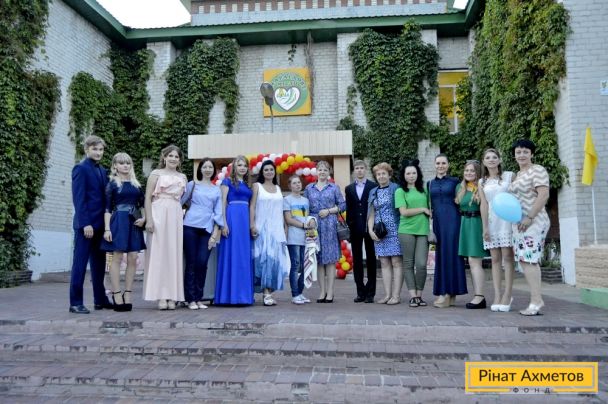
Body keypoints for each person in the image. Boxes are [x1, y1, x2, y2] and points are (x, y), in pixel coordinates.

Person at [69, 135, 112, 314]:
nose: (98, 152)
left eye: (101, 150)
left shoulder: (102, 170)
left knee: (99, 265)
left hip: (100, 225)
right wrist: (85, 223)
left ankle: (100, 299)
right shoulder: (80, 168)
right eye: (95, 149)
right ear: (87, 149)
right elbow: (79, 199)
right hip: (85, 226)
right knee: (80, 264)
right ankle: (75, 303)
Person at [508, 139, 550, 316]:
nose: (522, 155)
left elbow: (543, 194)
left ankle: (536, 301)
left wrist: (530, 217)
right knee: (525, 260)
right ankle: (535, 300)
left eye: (525, 151)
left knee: (529, 259)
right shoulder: (517, 175)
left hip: (534, 221)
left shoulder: (537, 170)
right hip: (519, 224)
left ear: (532, 154)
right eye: (518, 152)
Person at [143, 145, 187, 310]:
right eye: (171, 156)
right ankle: (161, 295)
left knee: (173, 254)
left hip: (175, 214)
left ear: (179, 160)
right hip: (159, 212)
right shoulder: (156, 174)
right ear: (164, 157)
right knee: (159, 253)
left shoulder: (182, 177)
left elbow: (183, 199)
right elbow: (147, 198)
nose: (173, 159)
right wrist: (149, 219)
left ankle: (173, 295)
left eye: (176, 157)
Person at [101, 153, 146, 312]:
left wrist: (144, 218)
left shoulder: (136, 184)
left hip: (134, 221)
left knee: (133, 257)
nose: (125, 166)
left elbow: (143, 204)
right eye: (121, 163)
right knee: (117, 257)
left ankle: (128, 293)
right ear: (115, 166)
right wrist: (107, 229)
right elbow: (107, 208)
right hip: (118, 221)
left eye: (128, 163)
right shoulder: (112, 184)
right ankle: (116, 294)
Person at [181, 158, 223, 310]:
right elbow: (180, 202)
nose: (207, 169)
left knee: (202, 262)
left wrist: (215, 233)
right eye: (205, 167)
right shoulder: (192, 185)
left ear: (214, 170)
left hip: (207, 229)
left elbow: (219, 212)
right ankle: (190, 299)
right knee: (191, 263)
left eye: (210, 167)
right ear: (200, 169)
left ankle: (199, 298)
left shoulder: (216, 189)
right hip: (190, 226)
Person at [304, 161, 346, 303]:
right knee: (319, 259)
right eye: (320, 169)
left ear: (329, 172)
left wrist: (328, 210)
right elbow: (305, 206)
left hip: (329, 225)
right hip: (314, 226)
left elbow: (342, 205)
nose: (322, 172)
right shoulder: (309, 188)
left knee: (330, 260)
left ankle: (330, 292)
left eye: (325, 170)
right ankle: (322, 291)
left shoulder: (334, 188)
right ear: (316, 171)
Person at [479, 148, 515, 312]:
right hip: (492, 221)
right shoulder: (482, 182)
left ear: (500, 160)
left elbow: (517, 197)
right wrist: (485, 227)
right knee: (494, 259)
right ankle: (497, 295)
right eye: (488, 157)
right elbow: (484, 204)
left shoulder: (509, 176)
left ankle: (508, 294)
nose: (491, 160)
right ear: (484, 162)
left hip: (507, 220)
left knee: (507, 256)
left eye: (494, 157)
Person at [429, 154, 467, 308]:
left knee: (452, 255)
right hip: (438, 223)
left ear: (448, 165)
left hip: (453, 221)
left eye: (443, 163)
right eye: (438, 163)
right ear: (434, 165)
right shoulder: (429, 183)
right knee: (441, 256)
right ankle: (447, 293)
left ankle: (448, 293)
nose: (441, 166)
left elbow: (461, 200)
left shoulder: (455, 182)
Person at [215, 155, 255, 305]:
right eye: (239, 165)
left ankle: (243, 296)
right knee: (232, 254)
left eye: (245, 165)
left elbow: (252, 205)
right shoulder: (227, 182)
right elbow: (222, 203)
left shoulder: (248, 185)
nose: (242, 168)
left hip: (244, 220)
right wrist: (223, 224)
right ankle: (229, 296)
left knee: (243, 256)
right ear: (234, 167)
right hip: (232, 218)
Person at [250, 160, 290, 306]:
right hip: (261, 229)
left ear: (275, 172)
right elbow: (252, 206)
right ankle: (265, 293)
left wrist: (285, 227)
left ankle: (269, 292)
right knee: (263, 261)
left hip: (276, 230)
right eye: (266, 170)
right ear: (262, 172)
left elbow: (281, 210)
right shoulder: (257, 186)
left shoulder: (278, 188)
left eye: (271, 169)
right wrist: (252, 225)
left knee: (275, 262)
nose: (269, 172)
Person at [395, 159, 430, 308]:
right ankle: (413, 296)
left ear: (418, 174)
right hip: (406, 230)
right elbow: (403, 212)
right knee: (408, 264)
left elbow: (431, 209)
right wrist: (422, 209)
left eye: (414, 173)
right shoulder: (400, 191)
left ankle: (419, 295)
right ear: (404, 175)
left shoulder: (424, 190)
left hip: (423, 230)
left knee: (421, 264)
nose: (411, 176)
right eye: (408, 173)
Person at [367, 163, 402, 305]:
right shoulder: (373, 191)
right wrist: (370, 230)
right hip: (379, 231)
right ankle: (387, 295)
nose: (381, 176)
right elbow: (371, 213)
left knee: (396, 262)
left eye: (383, 174)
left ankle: (396, 295)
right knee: (384, 262)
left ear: (389, 175)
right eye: (378, 174)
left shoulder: (396, 188)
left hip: (395, 229)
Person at [455, 160, 487, 309]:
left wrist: (485, 229)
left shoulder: (481, 187)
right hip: (464, 224)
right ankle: (477, 295)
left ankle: (479, 296)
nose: (468, 173)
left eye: (472, 171)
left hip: (476, 224)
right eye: (466, 170)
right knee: (470, 261)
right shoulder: (460, 187)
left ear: (478, 173)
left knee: (475, 261)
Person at [345, 160, 378, 303]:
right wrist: (349, 226)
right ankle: (360, 291)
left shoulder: (373, 186)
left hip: (369, 227)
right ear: (354, 171)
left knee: (371, 259)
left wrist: (374, 226)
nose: (359, 170)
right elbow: (349, 208)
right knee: (357, 260)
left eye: (362, 168)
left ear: (366, 170)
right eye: (357, 168)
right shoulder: (349, 188)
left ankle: (370, 293)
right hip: (355, 228)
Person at [283, 175, 312, 304]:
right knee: (296, 265)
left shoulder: (306, 200)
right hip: (293, 237)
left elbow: (308, 217)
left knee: (304, 266)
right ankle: (294, 294)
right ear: (290, 186)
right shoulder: (287, 200)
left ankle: (300, 293)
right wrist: (303, 225)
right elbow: (288, 220)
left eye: (299, 182)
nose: (297, 185)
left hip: (306, 237)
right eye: (294, 183)